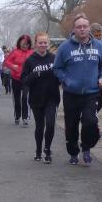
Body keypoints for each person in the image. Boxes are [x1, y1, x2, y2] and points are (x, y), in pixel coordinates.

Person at [53, 13, 102, 165]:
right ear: (74, 29)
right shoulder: (65, 47)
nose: (82, 29)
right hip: (71, 94)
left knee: (90, 122)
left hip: (92, 93)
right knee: (71, 126)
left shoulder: (98, 46)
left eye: (84, 26)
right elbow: (57, 68)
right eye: (79, 27)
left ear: (89, 28)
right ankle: (73, 152)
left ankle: (86, 147)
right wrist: (66, 80)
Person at [22, 32, 60, 163]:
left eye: (45, 42)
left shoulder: (54, 58)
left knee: (50, 124)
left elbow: (60, 75)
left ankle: (47, 149)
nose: (43, 45)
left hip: (52, 97)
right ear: (35, 44)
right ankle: (38, 150)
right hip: (36, 98)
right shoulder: (30, 60)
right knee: (39, 126)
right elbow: (24, 80)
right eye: (40, 42)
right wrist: (35, 74)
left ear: (48, 44)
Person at [4, 34, 34, 126]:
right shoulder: (15, 52)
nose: (25, 46)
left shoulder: (32, 52)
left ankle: (25, 117)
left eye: (27, 44)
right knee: (17, 99)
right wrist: (13, 66)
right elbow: (6, 62)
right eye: (23, 44)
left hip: (27, 79)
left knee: (25, 97)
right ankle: (17, 115)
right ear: (19, 43)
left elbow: (36, 63)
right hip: (15, 79)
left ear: (29, 44)